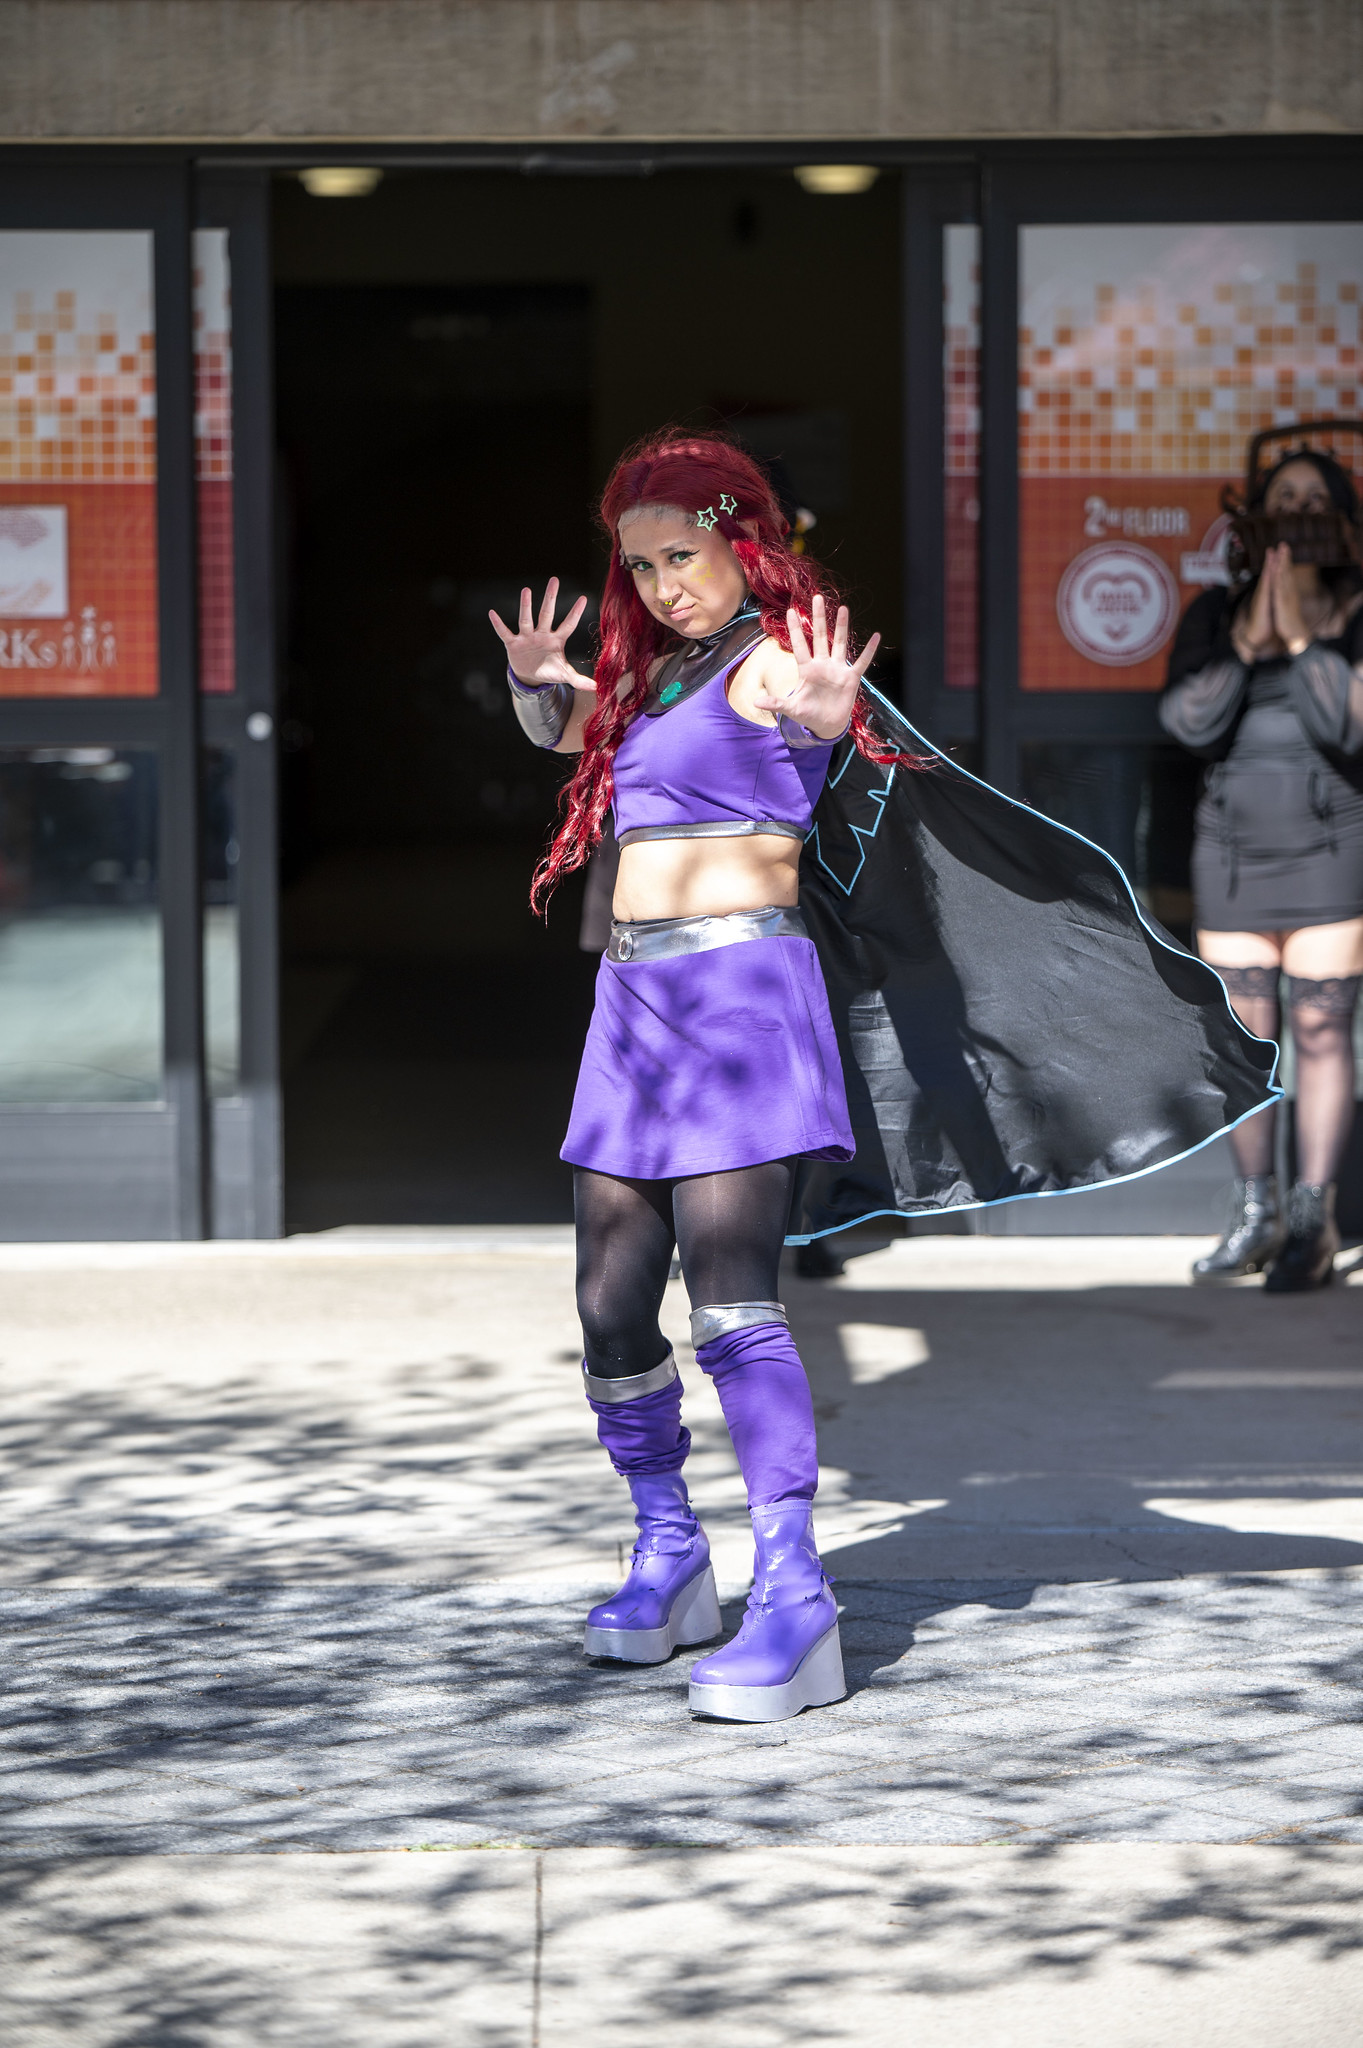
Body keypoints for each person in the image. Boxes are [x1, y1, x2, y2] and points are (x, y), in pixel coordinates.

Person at [493, 429, 1276, 1725]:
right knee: (608, 1303)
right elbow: (569, 728)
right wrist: (536, 682)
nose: (658, 585)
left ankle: (794, 1598)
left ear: (741, 540)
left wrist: (825, 726)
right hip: (631, 1003)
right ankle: (668, 1550)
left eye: (677, 556)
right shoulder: (653, 675)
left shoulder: (774, 667)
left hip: (741, 996)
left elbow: (828, 737)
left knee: (730, 1297)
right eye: (636, 566)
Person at [1160, 446, 1363, 1290]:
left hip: (1330, 847)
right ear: (1255, 519)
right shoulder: (1213, 615)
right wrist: (1249, 640)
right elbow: (1188, 724)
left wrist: (1302, 637)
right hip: (1233, 851)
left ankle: (1310, 1218)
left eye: (1314, 499)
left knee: (1319, 1031)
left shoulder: (1356, 613)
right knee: (1247, 1043)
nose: (1297, 511)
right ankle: (1256, 1211)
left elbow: (1344, 727)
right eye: (1283, 498)